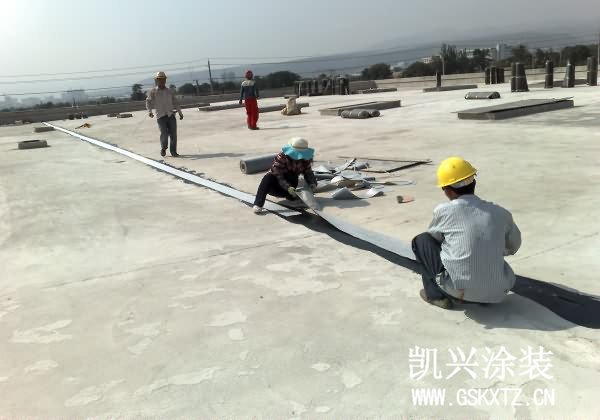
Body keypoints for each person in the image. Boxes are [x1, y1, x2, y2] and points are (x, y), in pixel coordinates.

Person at [412, 157, 522, 309]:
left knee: (422, 240)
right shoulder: (501, 213)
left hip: (459, 292)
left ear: (447, 191)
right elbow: (514, 246)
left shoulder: (444, 211)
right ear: (473, 183)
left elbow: (435, 239)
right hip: (498, 291)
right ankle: (483, 293)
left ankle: (436, 295)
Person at [252, 137, 318, 213]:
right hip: (275, 186)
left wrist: (312, 182)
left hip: (290, 187)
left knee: (292, 175)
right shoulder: (282, 156)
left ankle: (292, 197)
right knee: (268, 177)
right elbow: (278, 174)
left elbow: (308, 171)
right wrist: (288, 187)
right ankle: (258, 204)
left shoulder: (305, 159)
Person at [146, 71, 183, 157]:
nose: (162, 81)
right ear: (157, 80)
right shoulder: (153, 92)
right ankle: (163, 147)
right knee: (164, 134)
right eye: (160, 79)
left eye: (163, 79)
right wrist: (150, 111)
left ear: (165, 80)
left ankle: (173, 151)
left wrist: (180, 112)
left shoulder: (169, 91)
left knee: (173, 134)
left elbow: (175, 102)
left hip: (171, 115)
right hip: (160, 117)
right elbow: (148, 102)